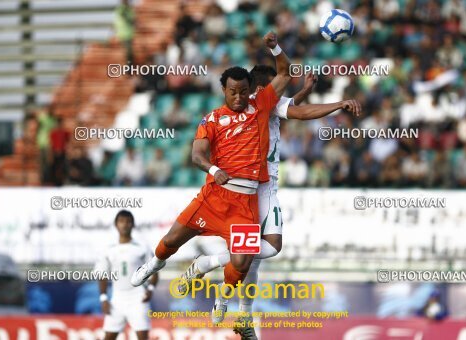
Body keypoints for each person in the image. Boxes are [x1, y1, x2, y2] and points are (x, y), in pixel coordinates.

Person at [177, 65, 361, 339]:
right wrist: (338, 104)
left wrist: (304, 92)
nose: (278, 91)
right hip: (251, 190)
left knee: (255, 258)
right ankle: (212, 272)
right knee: (262, 251)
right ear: (262, 90)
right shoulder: (259, 105)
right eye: (276, 87)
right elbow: (300, 113)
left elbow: (292, 107)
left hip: (267, 188)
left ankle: (240, 310)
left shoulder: (267, 105)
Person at [130, 32, 292, 327]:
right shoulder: (212, 119)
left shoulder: (262, 106)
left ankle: (222, 297)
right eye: (233, 91)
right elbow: (196, 154)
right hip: (214, 197)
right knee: (171, 241)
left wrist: (275, 48)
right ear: (223, 90)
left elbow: (284, 72)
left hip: (244, 204)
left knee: (242, 263)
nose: (239, 97)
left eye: (243, 91)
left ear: (250, 90)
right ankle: (153, 265)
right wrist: (212, 169)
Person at [95, 210, 157, 340]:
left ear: (133, 225)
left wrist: (150, 289)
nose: (125, 225)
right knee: (108, 337)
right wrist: (103, 298)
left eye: (128, 222)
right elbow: (102, 274)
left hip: (138, 297)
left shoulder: (142, 247)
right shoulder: (108, 248)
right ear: (116, 224)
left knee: (143, 337)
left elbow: (154, 270)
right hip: (117, 299)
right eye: (121, 221)